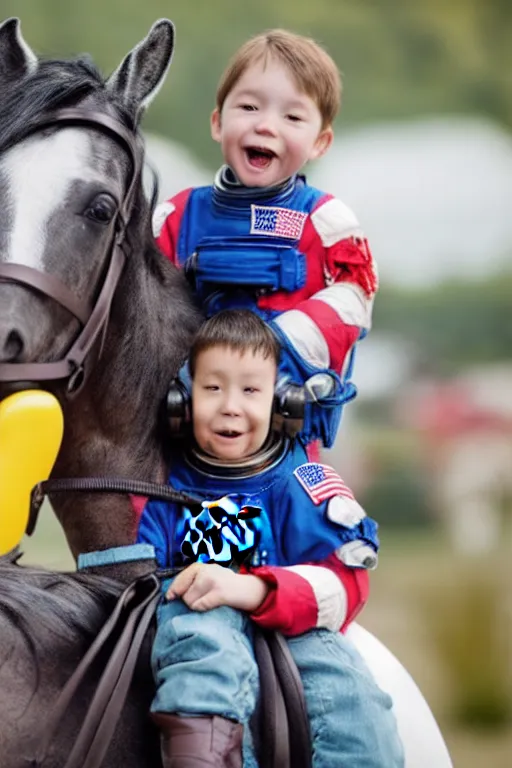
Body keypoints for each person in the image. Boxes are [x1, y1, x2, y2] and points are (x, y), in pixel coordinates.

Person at [137, 310, 403, 768]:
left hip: (295, 628)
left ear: (282, 403)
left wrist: (253, 588)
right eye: (213, 388)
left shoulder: (302, 480)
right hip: (198, 618)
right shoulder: (160, 488)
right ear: (182, 401)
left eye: (250, 390)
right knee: (202, 661)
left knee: (354, 703)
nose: (230, 406)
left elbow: (348, 580)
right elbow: (139, 572)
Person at [152, 28, 378, 451]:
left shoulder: (327, 221)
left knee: (332, 517)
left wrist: (272, 349)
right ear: (218, 123)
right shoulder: (175, 218)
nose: (265, 125)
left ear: (321, 141)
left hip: (282, 446)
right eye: (249, 106)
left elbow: (354, 298)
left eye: (292, 117)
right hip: (180, 445)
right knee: (150, 516)